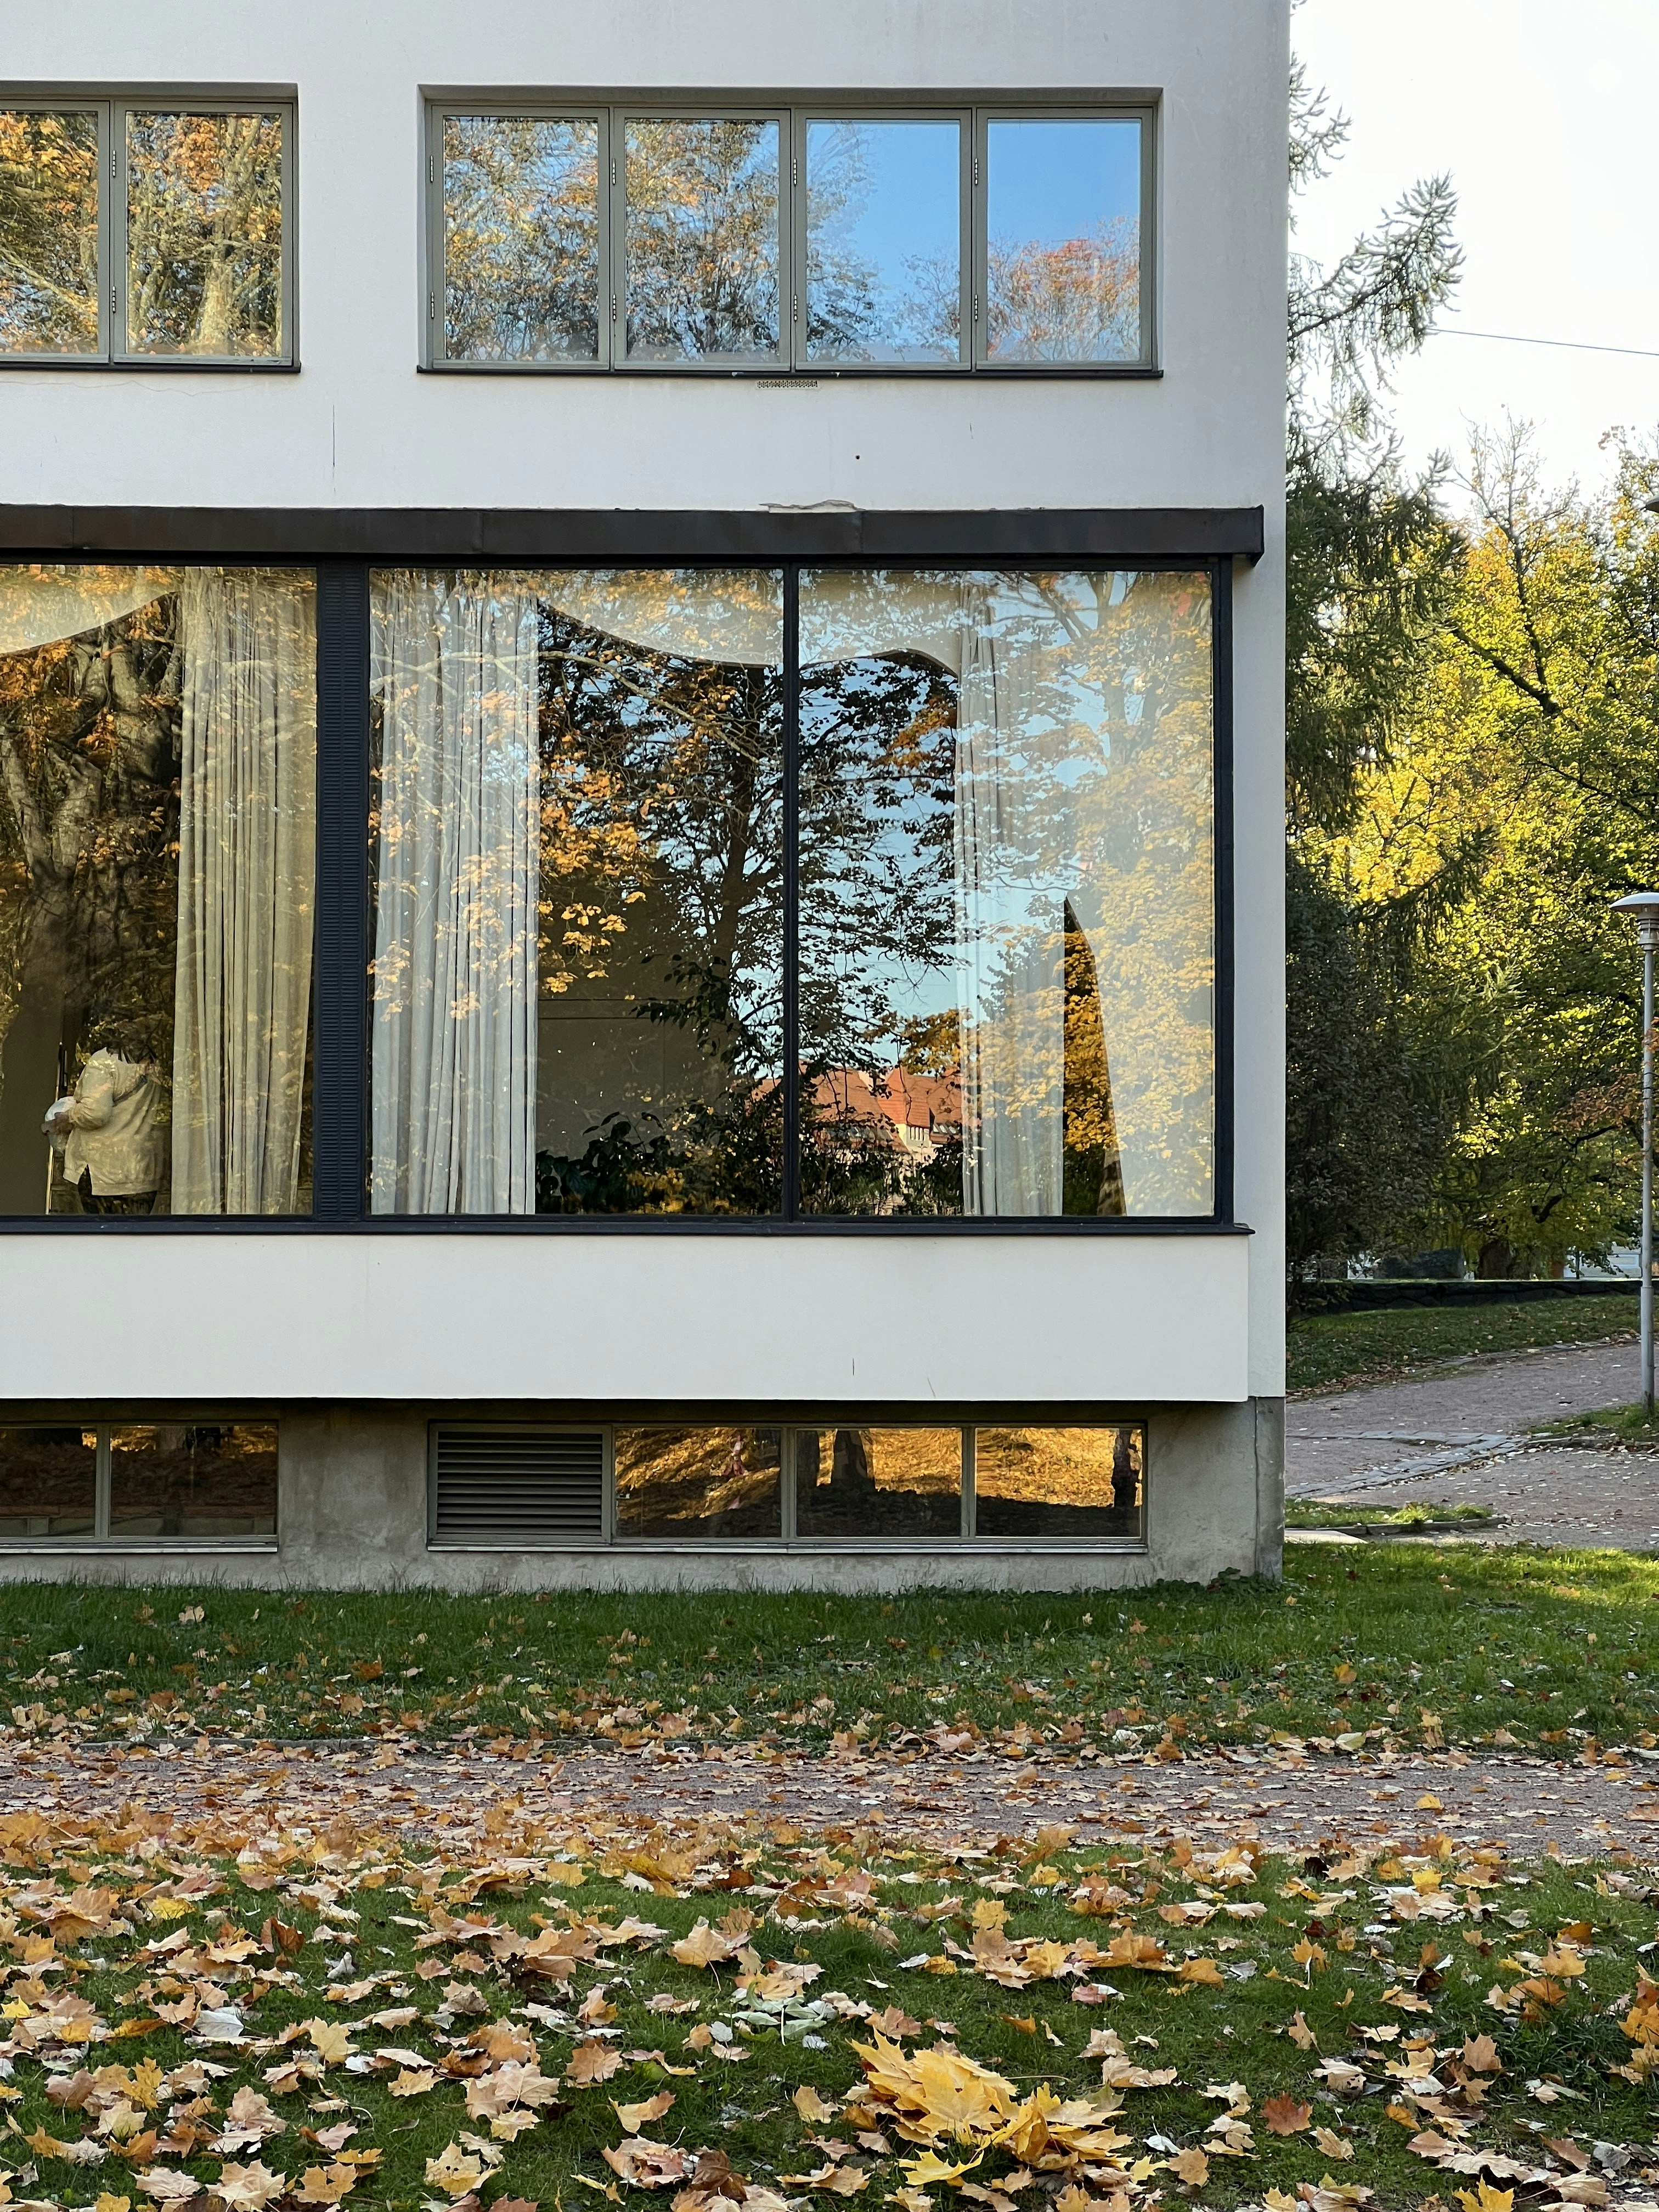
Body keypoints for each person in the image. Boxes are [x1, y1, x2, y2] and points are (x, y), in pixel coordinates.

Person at [42, 1019, 165, 1215]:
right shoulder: (154, 1065)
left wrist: (66, 1119)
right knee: (136, 1240)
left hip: (103, 1175)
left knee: (102, 1239)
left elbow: (96, 1113)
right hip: (142, 1173)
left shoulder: (104, 1061)